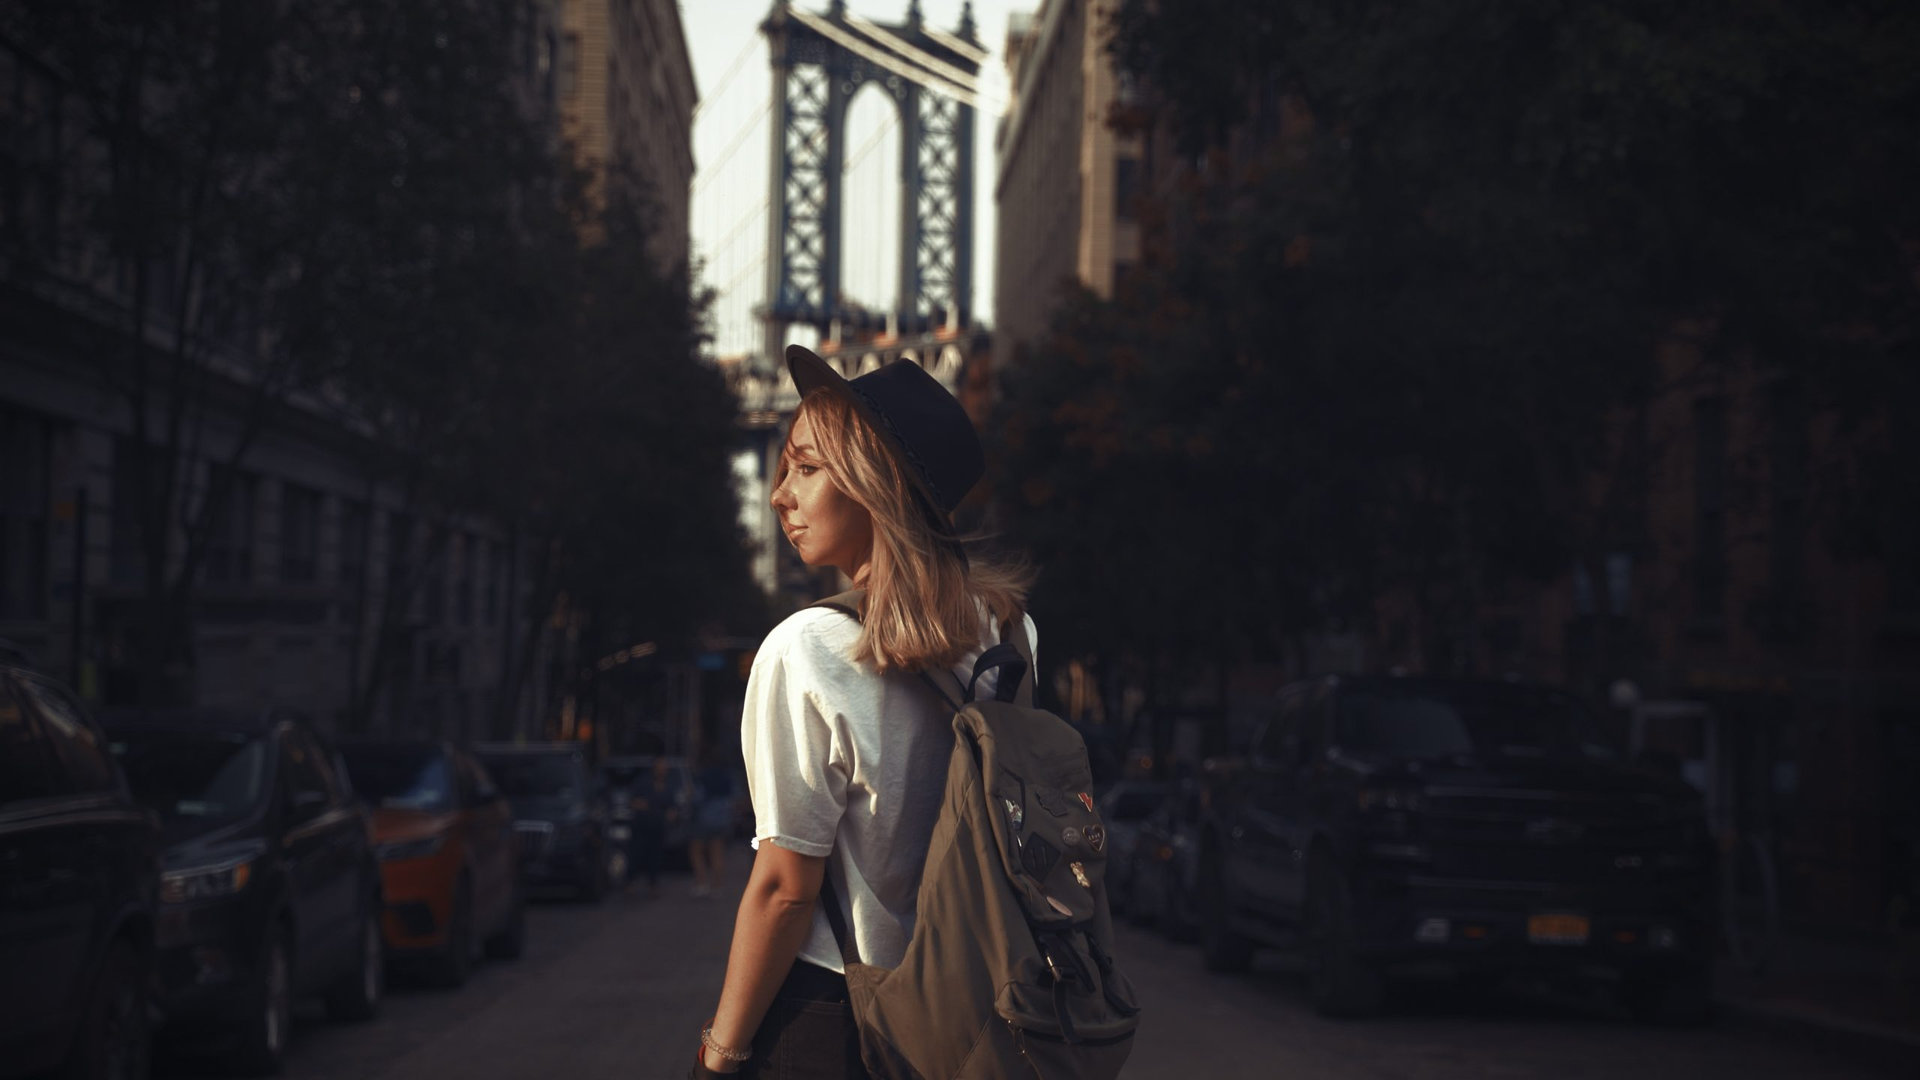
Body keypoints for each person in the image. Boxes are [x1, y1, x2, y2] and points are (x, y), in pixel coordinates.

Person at [691, 346, 1034, 1078]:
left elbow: (785, 890)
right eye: (784, 466)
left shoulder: (807, 647)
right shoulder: (1013, 634)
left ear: (877, 487)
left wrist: (719, 1054)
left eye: (807, 468)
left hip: (838, 1020)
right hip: (979, 1015)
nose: (780, 493)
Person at [688, 747, 738, 898]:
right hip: (722, 818)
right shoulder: (726, 776)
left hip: (704, 817)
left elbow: (697, 797)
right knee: (717, 852)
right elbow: (734, 797)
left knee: (696, 851)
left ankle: (702, 883)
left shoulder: (702, 776)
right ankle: (717, 885)